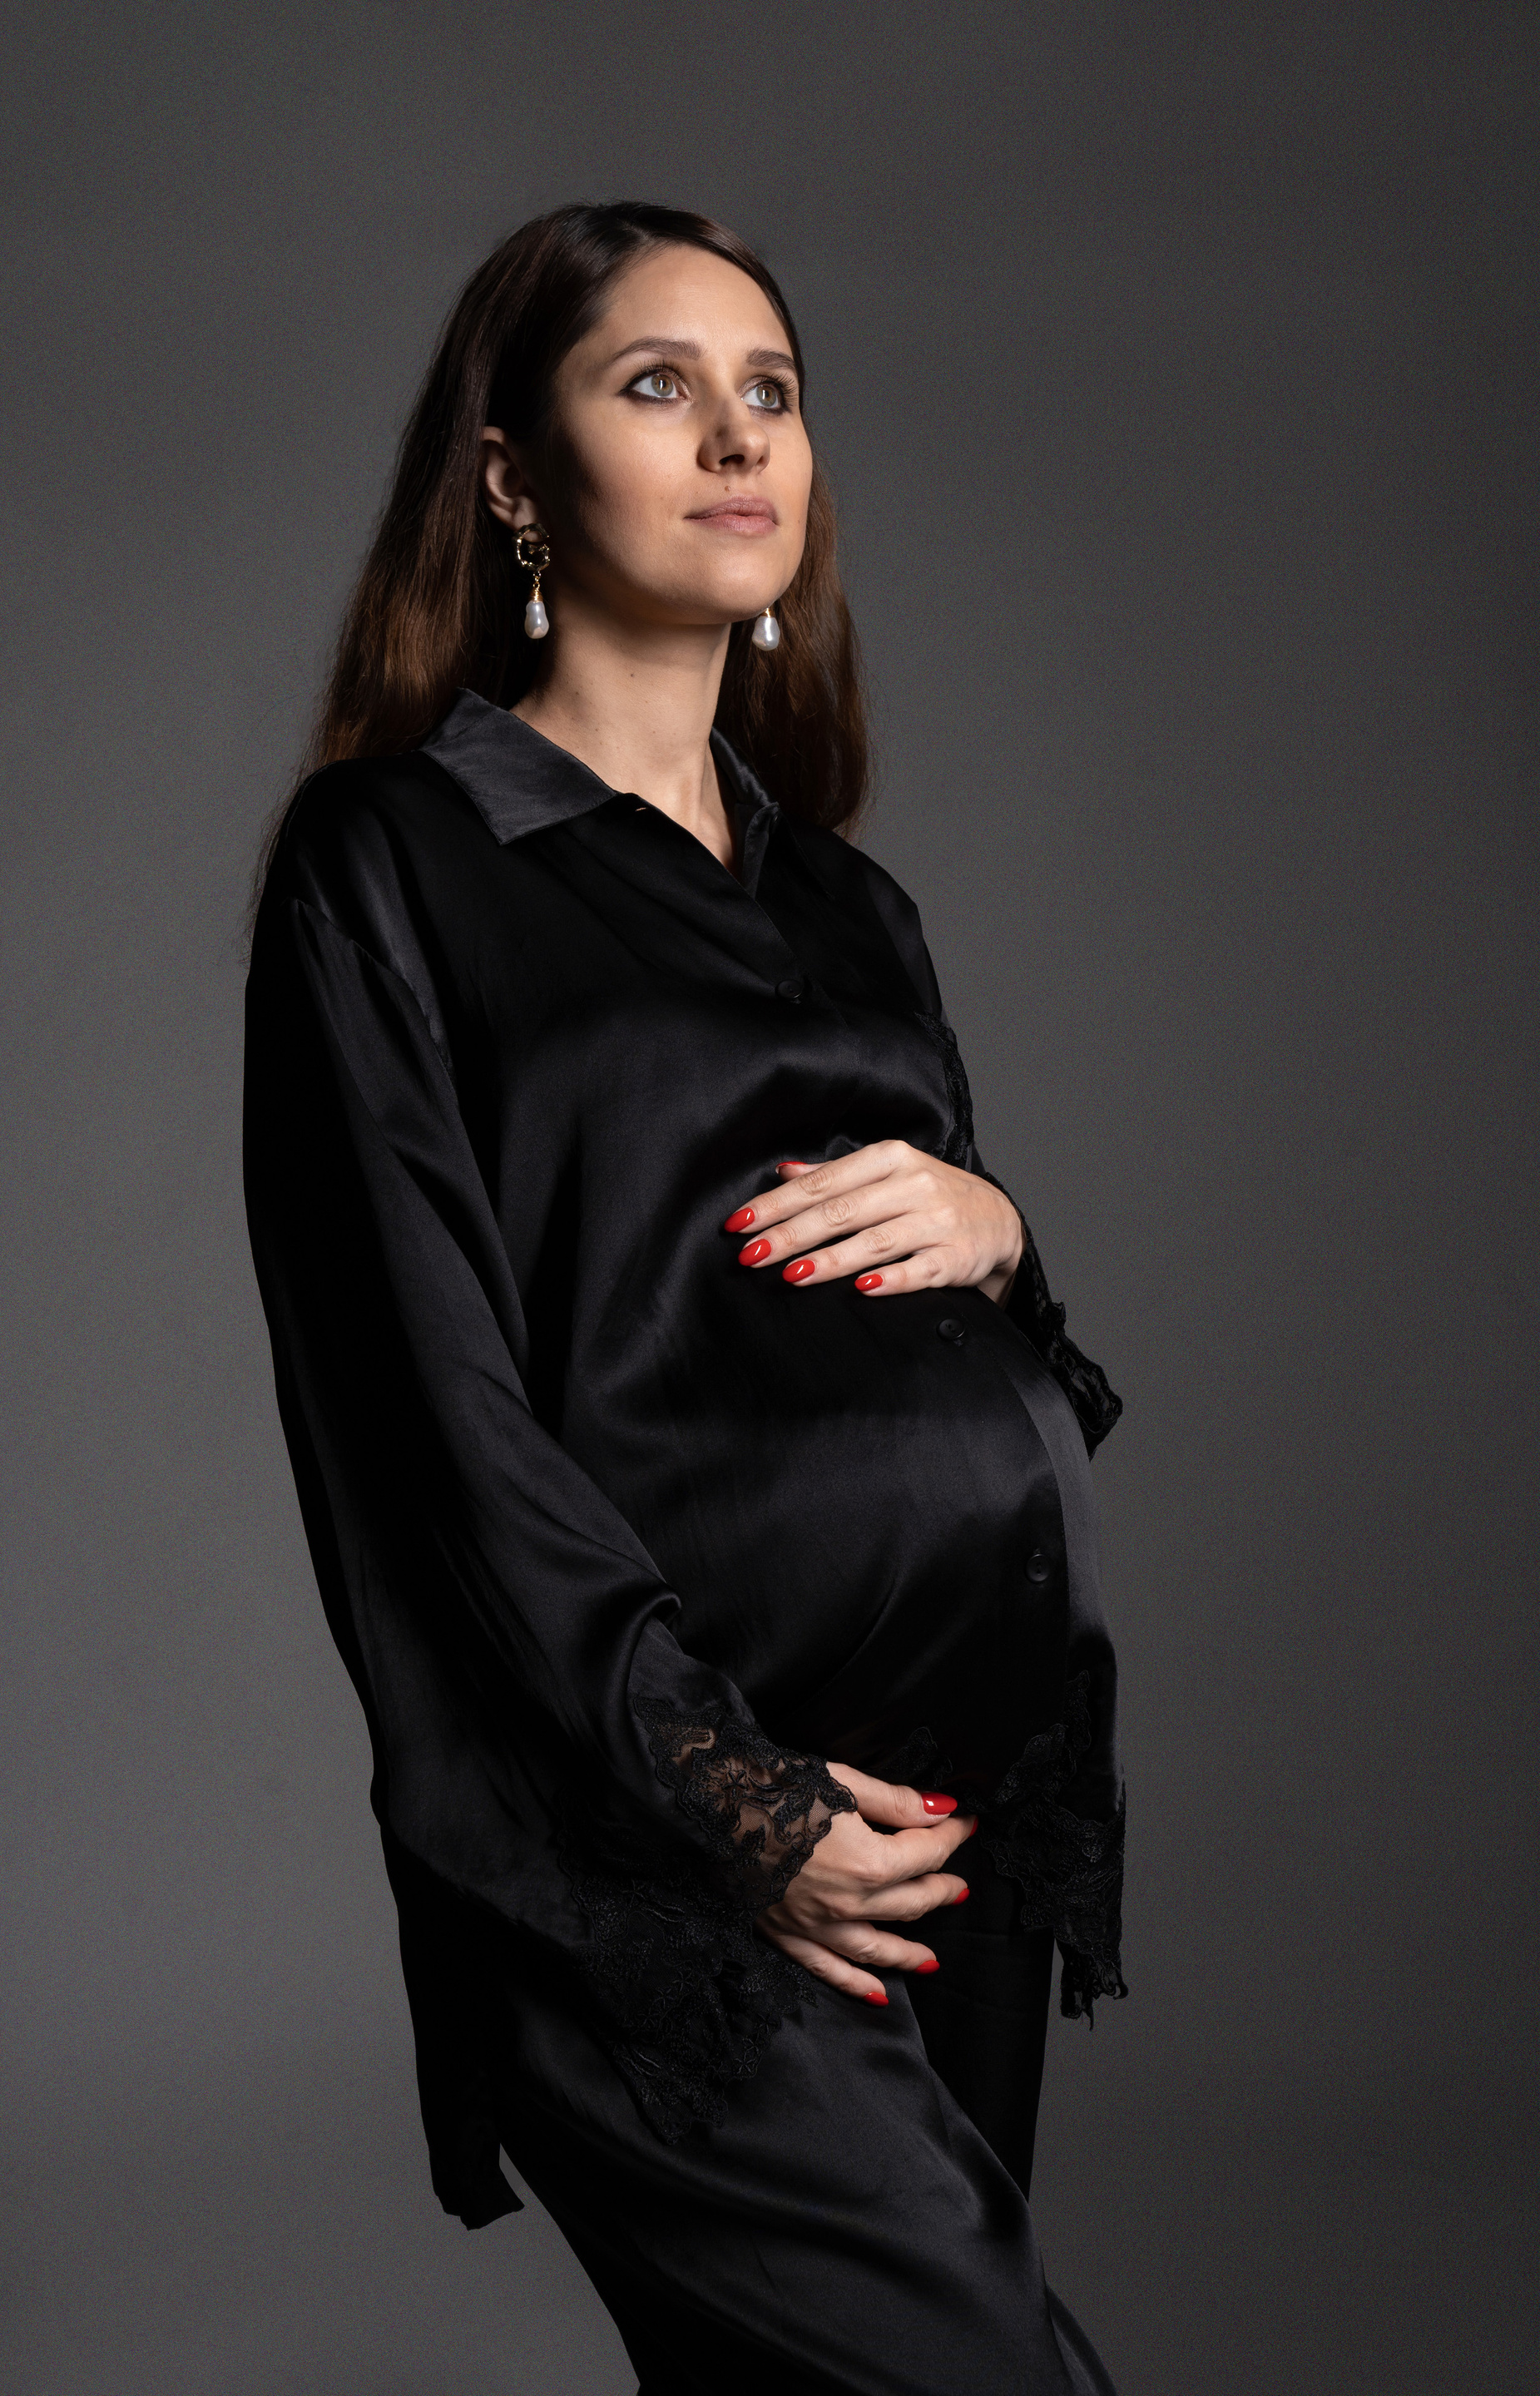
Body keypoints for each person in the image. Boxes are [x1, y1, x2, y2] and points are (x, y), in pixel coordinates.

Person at [245, 200, 1126, 2396]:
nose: (740, 438)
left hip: (954, 1796)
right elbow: (430, 1420)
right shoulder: (394, 859)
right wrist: (727, 1797)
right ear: (514, 480)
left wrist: (1002, 1227)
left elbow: (977, 1357)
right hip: (672, 1824)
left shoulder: (851, 906)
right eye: (659, 385)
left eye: (773, 393)